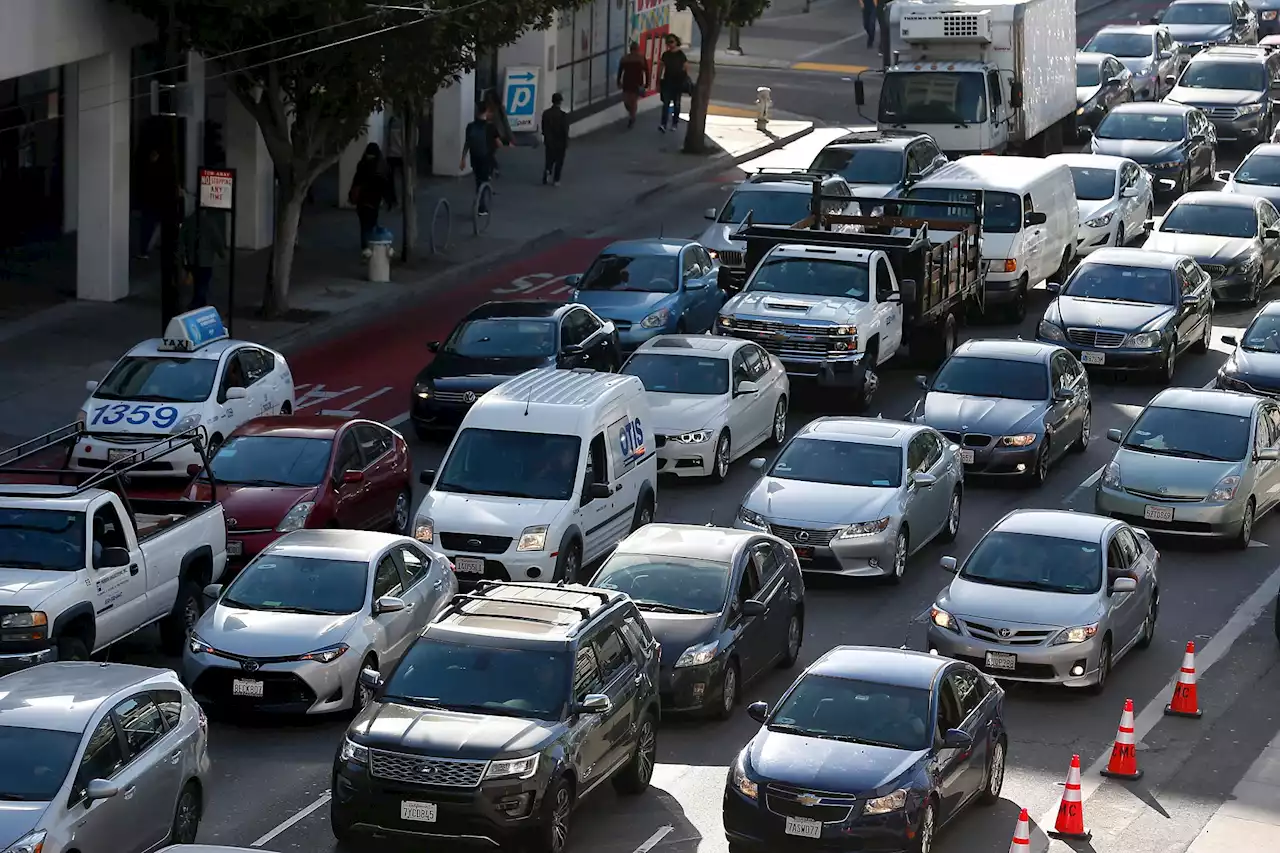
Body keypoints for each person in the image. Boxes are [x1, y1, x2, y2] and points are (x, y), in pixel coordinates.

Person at [348, 142, 395, 251]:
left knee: (364, 225)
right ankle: (369, 246)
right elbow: (386, 186)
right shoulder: (381, 168)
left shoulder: (363, 165)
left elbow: (356, 182)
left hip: (362, 201)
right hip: (373, 202)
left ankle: (366, 247)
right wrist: (390, 200)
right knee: (370, 223)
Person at [179, 207, 227, 310]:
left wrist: (183, 254)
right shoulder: (210, 223)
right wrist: (221, 253)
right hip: (206, 258)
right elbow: (216, 239)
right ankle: (198, 303)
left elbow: (182, 238)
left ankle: (199, 301)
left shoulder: (189, 221)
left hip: (193, 257)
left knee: (197, 280)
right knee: (203, 281)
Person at [460, 107, 505, 214]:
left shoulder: (470, 126)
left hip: (474, 158)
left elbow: (467, 143)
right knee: (484, 181)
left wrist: (463, 159)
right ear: (486, 113)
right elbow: (499, 143)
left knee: (478, 181)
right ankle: (481, 206)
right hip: (486, 159)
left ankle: (479, 200)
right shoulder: (490, 127)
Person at [657, 34, 690, 132]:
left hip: (678, 82)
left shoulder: (681, 55)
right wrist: (659, 81)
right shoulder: (665, 55)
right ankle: (663, 124)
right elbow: (661, 68)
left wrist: (684, 78)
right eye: (668, 42)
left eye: (672, 42)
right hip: (667, 81)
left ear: (676, 42)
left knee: (676, 104)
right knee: (666, 104)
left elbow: (686, 67)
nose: (670, 44)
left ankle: (674, 124)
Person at [617, 41, 651, 129]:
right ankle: (632, 114)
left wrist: (618, 81)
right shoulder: (636, 58)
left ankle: (632, 116)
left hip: (631, 82)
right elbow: (646, 71)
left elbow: (620, 71)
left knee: (630, 100)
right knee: (630, 101)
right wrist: (646, 83)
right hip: (633, 82)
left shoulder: (628, 58)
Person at [481, 89, 513, 177]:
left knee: (489, 152)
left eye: (491, 98)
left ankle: (492, 169)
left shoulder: (499, 108)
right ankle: (493, 168)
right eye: (488, 98)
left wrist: (510, 137)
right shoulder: (483, 107)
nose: (489, 100)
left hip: (497, 133)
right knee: (487, 152)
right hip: (486, 132)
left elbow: (505, 122)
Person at [541, 92, 570, 186]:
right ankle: (556, 180)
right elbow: (565, 130)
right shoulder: (563, 115)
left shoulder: (546, 113)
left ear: (552, 101)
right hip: (560, 142)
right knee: (559, 162)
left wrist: (546, 138)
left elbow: (544, 128)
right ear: (560, 102)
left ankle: (548, 171)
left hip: (549, 141)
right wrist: (566, 142)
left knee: (549, 160)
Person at [385, 112, 405, 202]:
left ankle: (394, 199)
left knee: (391, 178)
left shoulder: (391, 122)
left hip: (391, 153)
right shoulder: (405, 123)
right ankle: (403, 199)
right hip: (402, 154)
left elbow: (388, 138)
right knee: (404, 178)